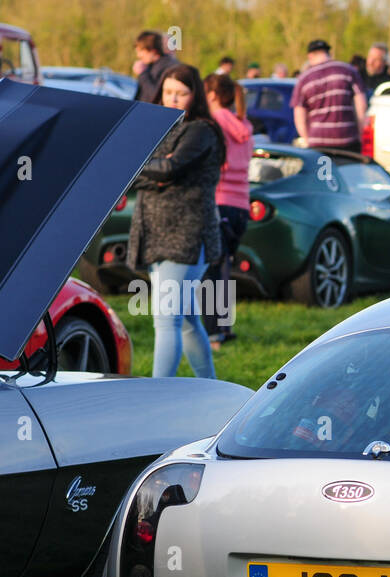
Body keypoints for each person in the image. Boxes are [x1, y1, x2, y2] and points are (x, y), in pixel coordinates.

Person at [127, 64, 224, 379]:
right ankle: (211, 390)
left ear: (194, 95)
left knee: (167, 318)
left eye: (181, 93)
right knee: (185, 320)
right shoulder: (158, 129)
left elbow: (172, 169)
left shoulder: (200, 130)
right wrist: (154, 170)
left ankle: (157, 397)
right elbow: (146, 175)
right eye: (168, 92)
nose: (172, 99)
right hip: (154, 233)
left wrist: (153, 168)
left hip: (186, 236)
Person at [203, 72, 253, 349]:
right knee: (224, 267)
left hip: (219, 198)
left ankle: (213, 334)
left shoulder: (215, 123)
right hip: (241, 204)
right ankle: (225, 326)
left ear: (210, 95)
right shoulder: (243, 123)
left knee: (212, 268)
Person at [290, 39, 367, 152]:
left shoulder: (304, 79)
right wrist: (360, 133)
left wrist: (307, 140)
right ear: (328, 53)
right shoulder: (348, 71)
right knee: (348, 170)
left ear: (310, 56)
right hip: (347, 139)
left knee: (324, 170)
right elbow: (361, 105)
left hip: (318, 143)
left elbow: (299, 116)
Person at [133, 30, 180, 104]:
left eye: (141, 51)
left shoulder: (169, 68)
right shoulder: (152, 66)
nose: (138, 55)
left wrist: (143, 74)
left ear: (153, 51)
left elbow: (156, 97)